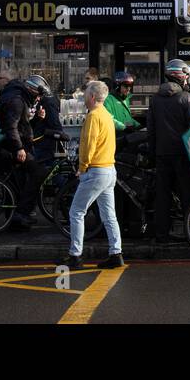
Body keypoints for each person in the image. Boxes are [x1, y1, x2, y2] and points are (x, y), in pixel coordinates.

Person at [57, 80, 124, 270]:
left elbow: (87, 145)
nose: (84, 97)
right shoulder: (106, 115)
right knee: (109, 215)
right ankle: (116, 253)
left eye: (86, 93)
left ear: (92, 97)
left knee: (76, 211)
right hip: (109, 169)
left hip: (95, 170)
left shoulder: (93, 116)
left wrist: (82, 166)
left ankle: (75, 255)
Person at [148, 59, 190, 243]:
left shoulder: (155, 99)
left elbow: (151, 131)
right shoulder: (186, 98)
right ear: (180, 77)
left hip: (162, 154)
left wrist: (152, 155)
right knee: (188, 194)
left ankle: (161, 234)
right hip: (183, 155)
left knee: (162, 196)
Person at [0, 74, 51, 231]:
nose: (40, 98)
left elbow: (23, 125)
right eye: (39, 94)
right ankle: (21, 213)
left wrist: (37, 119)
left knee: (18, 183)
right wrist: (19, 148)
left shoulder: (21, 98)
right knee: (39, 173)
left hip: (15, 146)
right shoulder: (17, 101)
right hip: (12, 148)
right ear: (32, 90)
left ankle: (17, 219)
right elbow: (11, 127)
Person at [30, 81, 64, 165]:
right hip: (42, 143)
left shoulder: (48, 103)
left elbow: (55, 125)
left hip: (44, 144)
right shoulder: (45, 102)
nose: (37, 99)